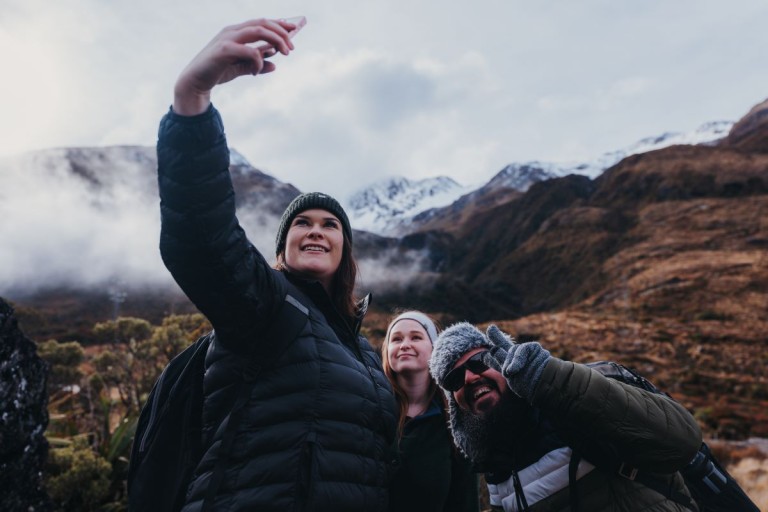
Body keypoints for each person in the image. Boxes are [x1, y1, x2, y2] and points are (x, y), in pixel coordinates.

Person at [156, 17, 396, 511]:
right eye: (301, 223)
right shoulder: (265, 306)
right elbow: (203, 239)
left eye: (330, 225)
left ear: (345, 250)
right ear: (283, 249)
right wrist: (192, 98)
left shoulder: (365, 353)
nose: (316, 230)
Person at [429, 322, 703, 512]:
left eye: (479, 362)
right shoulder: (494, 467)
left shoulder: (574, 394)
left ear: (503, 359)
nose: (469, 377)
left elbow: (681, 441)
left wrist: (548, 378)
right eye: (454, 379)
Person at [381, 311, 478, 512]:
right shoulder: (371, 410)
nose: (404, 344)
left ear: (434, 348)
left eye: (416, 337)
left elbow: (464, 501)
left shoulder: (455, 424)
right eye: (396, 339)